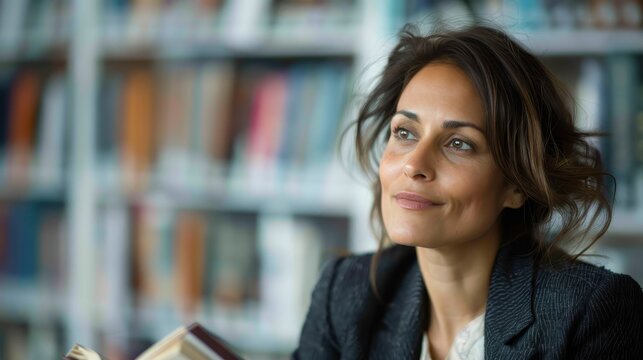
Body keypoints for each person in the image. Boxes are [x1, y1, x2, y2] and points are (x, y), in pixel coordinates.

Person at [293, 23, 643, 359]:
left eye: (459, 143)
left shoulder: (591, 310)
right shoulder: (344, 293)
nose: (414, 165)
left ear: (517, 186)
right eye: (405, 133)